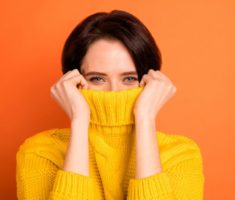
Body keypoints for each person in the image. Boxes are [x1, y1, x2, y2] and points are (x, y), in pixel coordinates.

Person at [16, 10, 205, 199]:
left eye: (129, 78)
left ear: (150, 81)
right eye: (97, 78)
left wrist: (145, 119)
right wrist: (80, 121)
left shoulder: (181, 154)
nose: (114, 91)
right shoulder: (41, 152)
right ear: (72, 81)